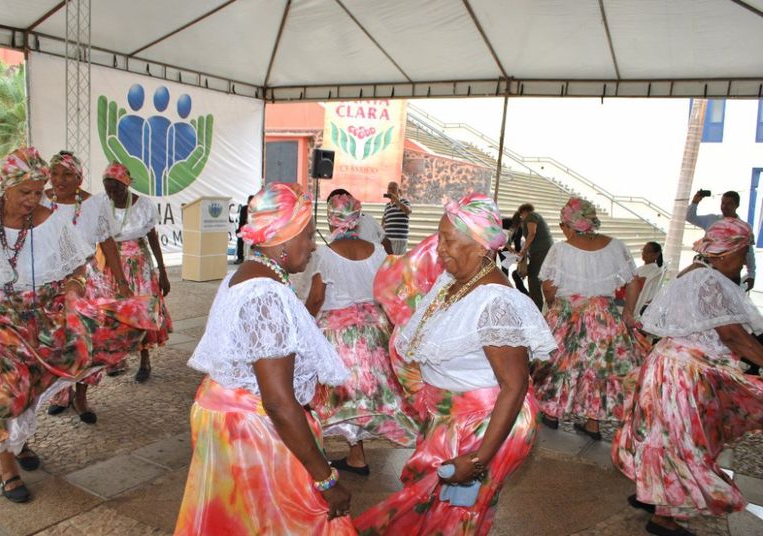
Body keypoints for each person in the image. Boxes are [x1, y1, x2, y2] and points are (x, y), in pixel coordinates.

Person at [355, 192, 557, 536]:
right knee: (431, 506)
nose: (440, 249)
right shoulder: (454, 283)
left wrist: (478, 459)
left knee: (456, 517)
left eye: (449, 241)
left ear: (481, 247)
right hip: (451, 419)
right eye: (439, 239)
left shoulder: (496, 303)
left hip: (484, 424)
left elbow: (515, 385)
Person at [0, 148, 152, 503]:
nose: (33, 199)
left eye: (39, 191)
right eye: (25, 192)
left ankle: (19, 444)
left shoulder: (52, 221)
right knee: (1, 381)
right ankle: (8, 466)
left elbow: (77, 268)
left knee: (30, 381)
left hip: (36, 312)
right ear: (5, 185)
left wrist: (72, 292)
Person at [175, 183, 356, 535]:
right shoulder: (266, 296)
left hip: (225, 416)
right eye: (306, 234)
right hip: (253, 430)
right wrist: (325, 479)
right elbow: (277, 400)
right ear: (283, 239)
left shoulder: (243, 276)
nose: (312, 244)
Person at [613, 218, 763, 536]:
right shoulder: (710, 281)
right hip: (681, 376)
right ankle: (665, 517)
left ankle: (653, 496)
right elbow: (733, 336)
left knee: (660, 436)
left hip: (668, 367)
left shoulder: (694, 272)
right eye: (744, 253)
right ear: (726, 253)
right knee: (681, 445)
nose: (746, 260)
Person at [306, 193, 417, 476]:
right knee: (365, 397)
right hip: (375, 331)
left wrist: (303, 324)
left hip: (339, 336)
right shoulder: (379, 251)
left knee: (331, 397)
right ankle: (357, 456)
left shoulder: (325, 254)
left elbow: (317, 298)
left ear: (331, 220)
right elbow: (389, 291)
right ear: (357, 218)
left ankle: (312, 457)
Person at [534, 197, 643, 440]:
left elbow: (549, 288)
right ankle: (593, 424)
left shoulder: (561, 249)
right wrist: (628, 313)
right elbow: (633, 282)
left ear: (569, 224)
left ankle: (552, 413)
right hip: (604, 317)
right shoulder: (617, 246)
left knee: (559, 363)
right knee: (597, 368)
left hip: (568, 313)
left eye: (563, 225)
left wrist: (554, 307)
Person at [43, 151, 137, 422]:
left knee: (87, 343)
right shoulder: (39, 199)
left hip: (86, 281)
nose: (59, 180)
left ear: (79, 177)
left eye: (67, 174)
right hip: (50, 283)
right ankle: (60, 394)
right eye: (55, 173)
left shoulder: (94, 205)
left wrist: (121, 283)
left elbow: (107, 243)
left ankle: (81, 397)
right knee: (57, 342)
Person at [95, 163, 172, 383]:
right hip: (112, 266)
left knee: (141, 312)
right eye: (107, 188)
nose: (111, 193)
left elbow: (152, 239)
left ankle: (144, 359)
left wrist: (163, 272)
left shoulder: (143, 205)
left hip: (140, 267)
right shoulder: (101, 205)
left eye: (116, 189)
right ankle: (116, 359)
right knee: (114, 312)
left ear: (126, 185)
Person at [687, 189, 755, 290]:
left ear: (737, 205)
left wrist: (751, 274)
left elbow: (749, 253)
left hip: (730, 274)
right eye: (723, 203)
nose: (725, 206)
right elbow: (690, 217)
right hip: (708, 271)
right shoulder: (712, 219)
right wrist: (695, 201)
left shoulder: (743, 227)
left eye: (729, 203)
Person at [516, 203, 553, 310]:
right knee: (538, 278)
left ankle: (536, 308)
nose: (521, 218)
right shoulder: (536, 216)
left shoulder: (531, 216)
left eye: (521, 215)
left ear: (524, 212)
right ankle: (540, 306)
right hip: (543, 250)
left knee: (533, 279)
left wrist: (524, 250)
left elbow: (532, 233)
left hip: (541, 251)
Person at [500, 213, 529, 295]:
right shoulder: (506, 223)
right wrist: (509, 247)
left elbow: (517, 244)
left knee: (505, 267)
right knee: (498, 265)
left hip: (505, 250)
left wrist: (518, 253)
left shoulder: (519, 230)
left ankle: (505, 287)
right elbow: (498, 236)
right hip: (496, 245)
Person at [633, 241, 664, 319]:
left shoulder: (653, 271)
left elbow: (637, 284)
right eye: (643, 250)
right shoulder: (645, 268)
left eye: (648, 251)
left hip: (633, 302)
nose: (644, 253)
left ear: (656, 255)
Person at [382, 181, 412, 254]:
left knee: (396, 261)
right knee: (387, 262)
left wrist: (396, 200)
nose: (391, 190)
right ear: (387, 191)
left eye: (394, 188)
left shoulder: (404, 201)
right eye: (390, 188)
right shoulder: (387, 205)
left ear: (399, 191)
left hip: (399, 239)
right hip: (388, 240)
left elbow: (408, 211)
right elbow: (384, 221)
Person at [233, 195, 252, 264]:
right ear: (247, 202)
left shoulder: (257, 209)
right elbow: (241, 221)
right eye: (249, 202)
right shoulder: (244, 209)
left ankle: (253, 258)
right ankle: (240, 257)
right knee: (240, 238)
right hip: (244, 228)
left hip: (254, 230)